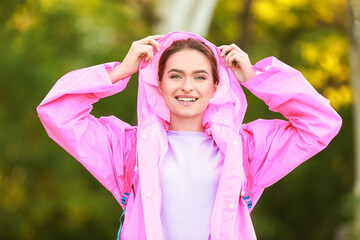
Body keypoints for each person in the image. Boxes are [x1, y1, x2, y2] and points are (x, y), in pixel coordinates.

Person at [37, 31, 342, 240]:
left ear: (215, 86)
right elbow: (57, 113)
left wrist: (255, 79)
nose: (187, 86)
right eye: (175, 75)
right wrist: (119, 72)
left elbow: (321, 122)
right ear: (159, 83)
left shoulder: (246, 149)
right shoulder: (127, 148)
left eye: (200, 77)